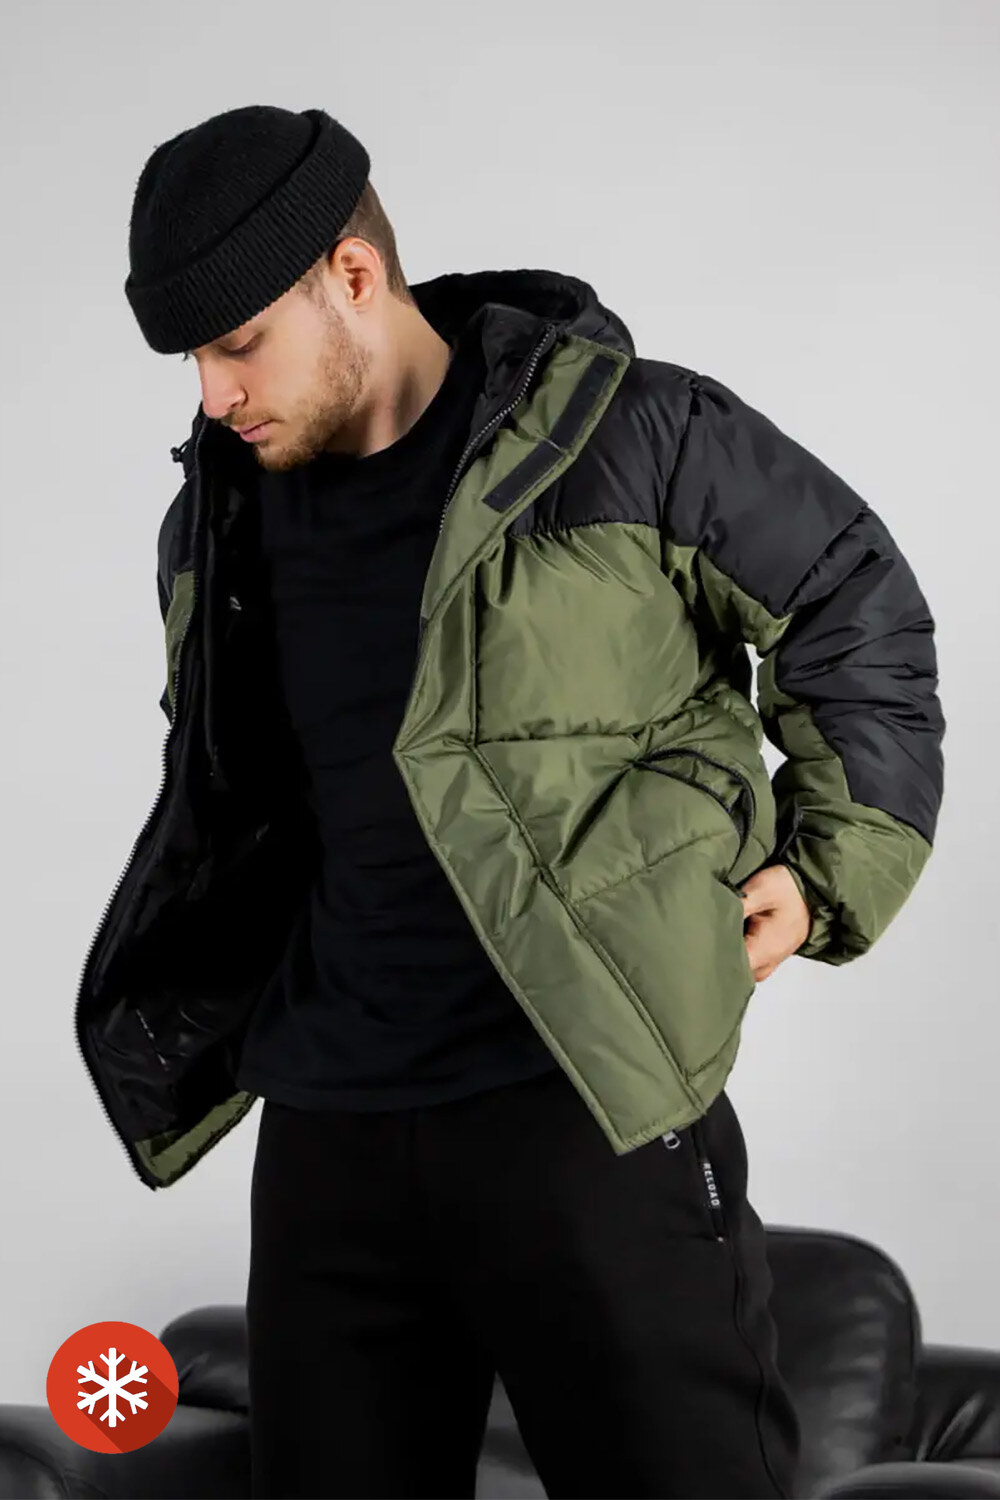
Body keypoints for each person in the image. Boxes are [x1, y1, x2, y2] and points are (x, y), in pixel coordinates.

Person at [82, 103, 944, 1499]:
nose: (214, 394)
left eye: (239, 343)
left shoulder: (630, 433)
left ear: (351, 275)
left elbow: (855, 597)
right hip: (329, 1139)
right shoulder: (219, 523)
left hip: (585, 1109)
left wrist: (829, 868)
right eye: (191, 359)